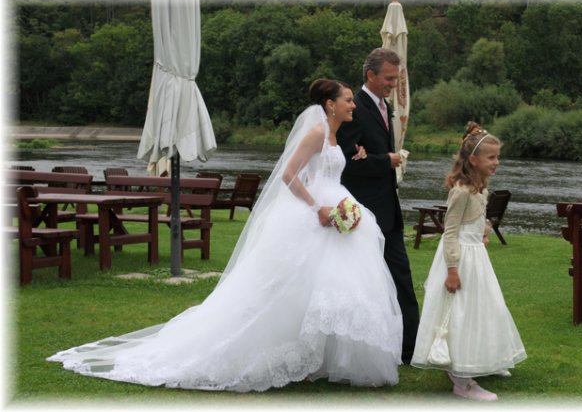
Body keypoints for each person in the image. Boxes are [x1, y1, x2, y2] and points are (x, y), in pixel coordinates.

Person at [47, 79, 403, 392]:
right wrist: (317, 209)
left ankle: (320, 359)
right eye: (348, 100)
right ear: (330, 104)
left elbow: (330, 167)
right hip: (315, 213)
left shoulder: (337, 136)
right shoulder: (315, 133)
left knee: (332, 288)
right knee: (291, 288)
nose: (353, 104)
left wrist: (353, 162)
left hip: (337, 207)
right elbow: (289, 175)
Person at [410, 122, 527, 401]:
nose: (496, 162)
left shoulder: (480, 189)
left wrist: (482, 231)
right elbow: (451, 232)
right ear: (473, 160)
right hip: (460, 259)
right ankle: (461, 378)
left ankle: (484, 357)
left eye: (498, 157)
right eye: (491, 157)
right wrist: (452, 269)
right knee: (459, 312)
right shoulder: (461, 191)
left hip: (476, 256)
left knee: (485, 307)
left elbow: (471, 222)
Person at [337, 47, 419, 364]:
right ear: (370, 75)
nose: (393, 85)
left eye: (396, 79)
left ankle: (410, 347)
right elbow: (346, 163)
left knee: (401, 280)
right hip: (365, 213)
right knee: (365, 285)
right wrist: (387, 160)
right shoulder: (353, 109)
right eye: (388, 78)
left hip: (389, 211)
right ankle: (369, 346)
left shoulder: (385, 107)